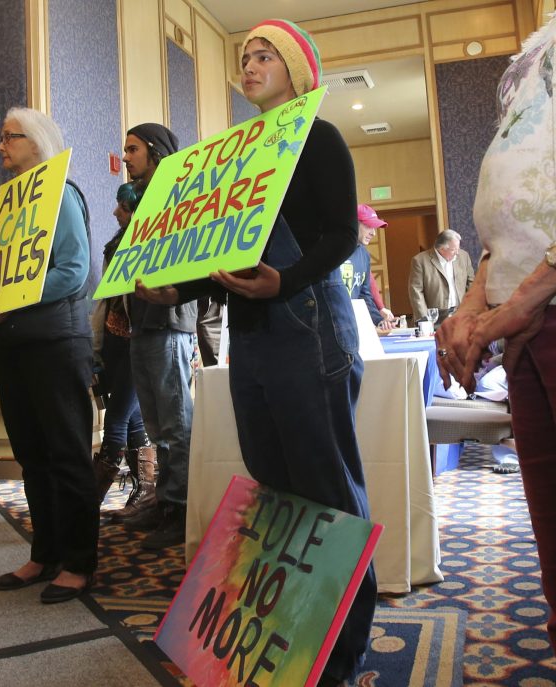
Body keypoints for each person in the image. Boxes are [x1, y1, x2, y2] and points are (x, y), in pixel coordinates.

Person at [137, 19, 376, 686]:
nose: (249, 64)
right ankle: (295, 639)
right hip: (251, 334)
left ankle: (343, 653)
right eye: (245, 56)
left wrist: (287, 280)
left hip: (309, 323)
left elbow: (341, 235)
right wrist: (175, 290)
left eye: (264, 54)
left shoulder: (319, 137)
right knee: (274, 488)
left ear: (296, 70)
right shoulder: (236, 154)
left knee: (328, 490)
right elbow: (222, 252)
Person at [436, 14, 556, 651]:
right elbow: (506, 223)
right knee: (548, 519)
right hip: (526, 320)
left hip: (542, 306)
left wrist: (530, 295)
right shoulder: (534, 52)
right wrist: (475, 304)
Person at [0, 107, 98, 603]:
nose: (0, 146)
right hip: (13, 343)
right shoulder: (9, 206)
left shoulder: (61, 194)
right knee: (31, 456)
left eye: (9, 137)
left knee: (66, 453)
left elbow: (74, 271)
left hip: (55, 342)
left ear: (37, 141)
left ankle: (79, 563)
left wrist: (7, 300)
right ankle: (44, 555)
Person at [120, 123, 198, 550]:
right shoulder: (141, 201)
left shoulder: (177, 197)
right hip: (142, 322)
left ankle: (181, 509)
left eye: (133, 149)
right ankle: (165, 499)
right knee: (155, 424)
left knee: (176, 423)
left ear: (155, 151)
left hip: (169, 321)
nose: (126, 157)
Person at [91, 182, 156, 515]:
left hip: (134, 338)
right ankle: (145, 491)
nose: (116, 211)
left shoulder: (147, 243)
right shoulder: (114, 245)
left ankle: (90, 499)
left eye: (124, 207)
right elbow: (106, 298)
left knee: (117, 418)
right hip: (113, 340)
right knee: (132, 419)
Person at [340, 203, 397, 330]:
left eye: (374, 228)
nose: (373, 233)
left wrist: (379, 320)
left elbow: (364, 295)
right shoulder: (334, 251)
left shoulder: (364, 254)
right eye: (368, 226)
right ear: (353, 223)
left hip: (352, 325)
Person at [408, 229, 475, 324]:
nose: (457, 253)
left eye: (458, 248)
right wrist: (425, 319)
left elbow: (471, 283)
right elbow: (416, 291)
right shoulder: (420, 261)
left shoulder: (464, 257)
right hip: (435, 317)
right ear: (442, 249)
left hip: (461, 314)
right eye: (453, 250)